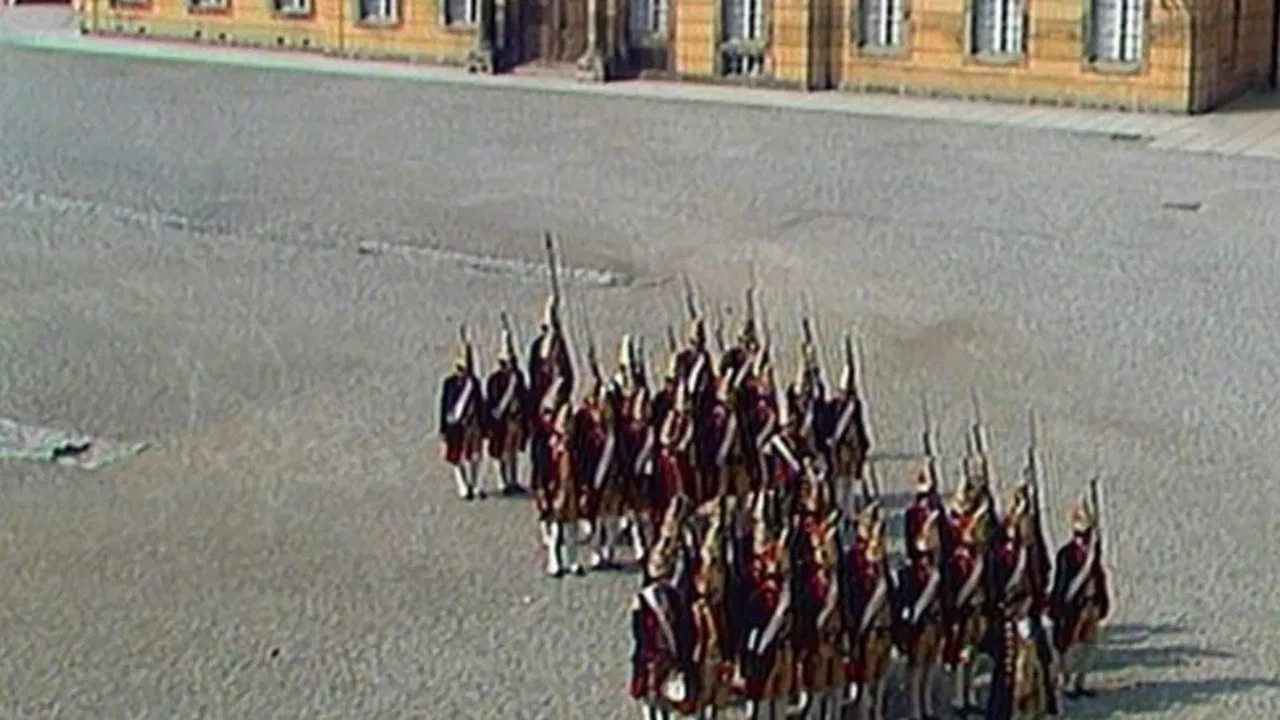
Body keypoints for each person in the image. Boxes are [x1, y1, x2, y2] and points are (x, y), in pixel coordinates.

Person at [1050, 493, 1111, 700]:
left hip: (1091, 605)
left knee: (1089, 646)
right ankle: (1067, 682)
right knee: (1071, 646)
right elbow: (1061, 584)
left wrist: (1102, 602)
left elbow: (1099, 577)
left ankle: (1080, 682)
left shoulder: (1094, 554)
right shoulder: (1066, 555)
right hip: (1074, 606)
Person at [483, 328, 528, 496]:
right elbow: (492, 403)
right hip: (501, 421)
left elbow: (523, 396)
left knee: (513, 452)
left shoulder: (518, 377)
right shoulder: (494, 380)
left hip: (515, 421)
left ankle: (513, 480)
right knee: (500, 452)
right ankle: (503, 481)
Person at [438, 339, 484, 500]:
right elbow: (444, 406)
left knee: (475, 456)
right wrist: (443, 429)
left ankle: (475, 484)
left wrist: (484, 426)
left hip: (472, 425)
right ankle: (463, 485)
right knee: (456, 457)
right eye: (460, 368)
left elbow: (480, 404)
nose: (462, 371)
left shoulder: (474, 383)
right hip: (455, 425)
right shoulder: (449, 383)